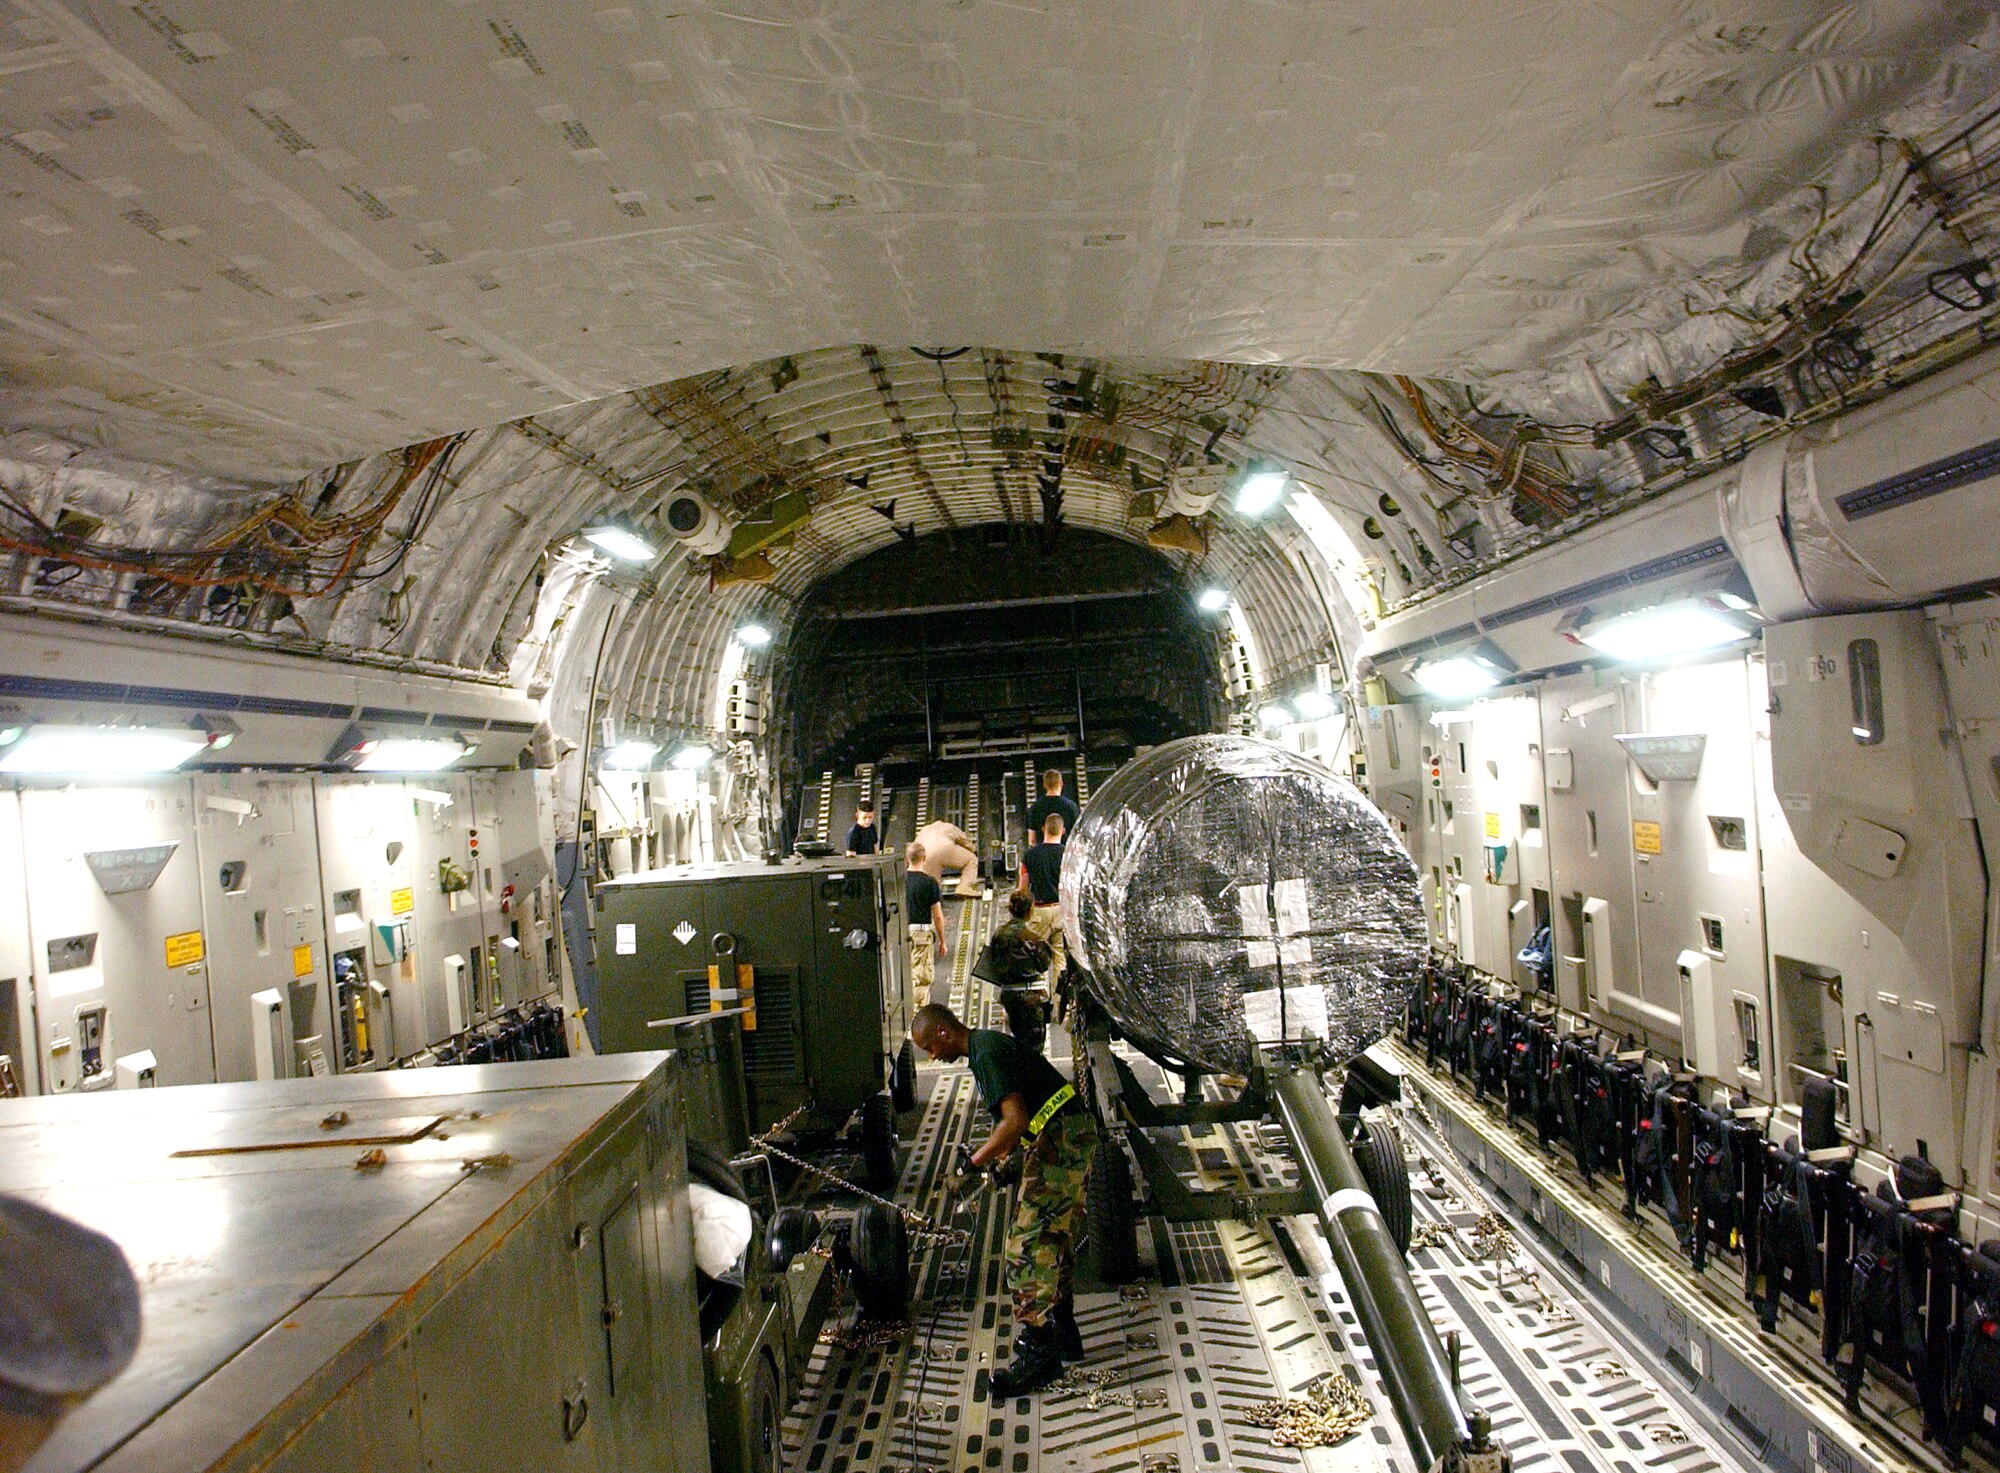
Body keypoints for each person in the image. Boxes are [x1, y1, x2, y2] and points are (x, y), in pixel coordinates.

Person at [911, 1003, 1095, 1396]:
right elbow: (1027, 1115)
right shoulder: (985, 1047)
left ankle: (1038, 1355)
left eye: (929, 1046)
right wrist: (1009, 1158)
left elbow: (1014, 1121)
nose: (932, 1056)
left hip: (1062, 1140)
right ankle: (1063, 1334)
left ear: (944, 1032)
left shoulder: (985, 1054)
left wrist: (973, 1163)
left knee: (1025, 1247)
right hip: (1065, 1134)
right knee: (1054, 1239)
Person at [985, 891, 1053, 1052]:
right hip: (1030, 997)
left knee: (1019, 1041)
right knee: (1035, 1047)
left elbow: (991, 962)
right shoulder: (1032, 937)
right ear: (1030, 911)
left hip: (1009, 997)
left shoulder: (998, 935)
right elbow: (1044, 964)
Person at [1018, 810, 1067, 989]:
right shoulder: (1068, 854)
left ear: (1043, 828)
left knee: (1033, 960)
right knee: (1060, 962)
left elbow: (1022, 889)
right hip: (1062, 912)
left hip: (1038, 913)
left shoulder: (1030, 855)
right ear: (1062, 831)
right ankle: (1059, 1009)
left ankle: (1038, 1002)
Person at [905, 841, 947, 1003]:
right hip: (921, 934)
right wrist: (942, 941)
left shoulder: (898, 881)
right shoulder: (930, 883)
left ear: (907, 859)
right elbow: (937, 915)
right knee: (921, 979)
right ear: (924, 858)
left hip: (900, 933)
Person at [914, 818, 983, 897]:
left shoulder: (923, 831)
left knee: (933, 885)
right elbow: (964, 841)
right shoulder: (948, 826)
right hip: (944, 849)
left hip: (925, 855)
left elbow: (913, 849)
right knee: (971, 859)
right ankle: (964, 887)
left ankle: (934, 900)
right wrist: (973, 849)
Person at [1025, 768, 1080, 846]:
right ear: (1061, 783)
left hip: (1042, 854)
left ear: (1044, 785)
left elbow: (1032, 840)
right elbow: (1077, 837)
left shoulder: (1034, 808)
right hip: (1064, 855)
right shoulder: (1072, 807)